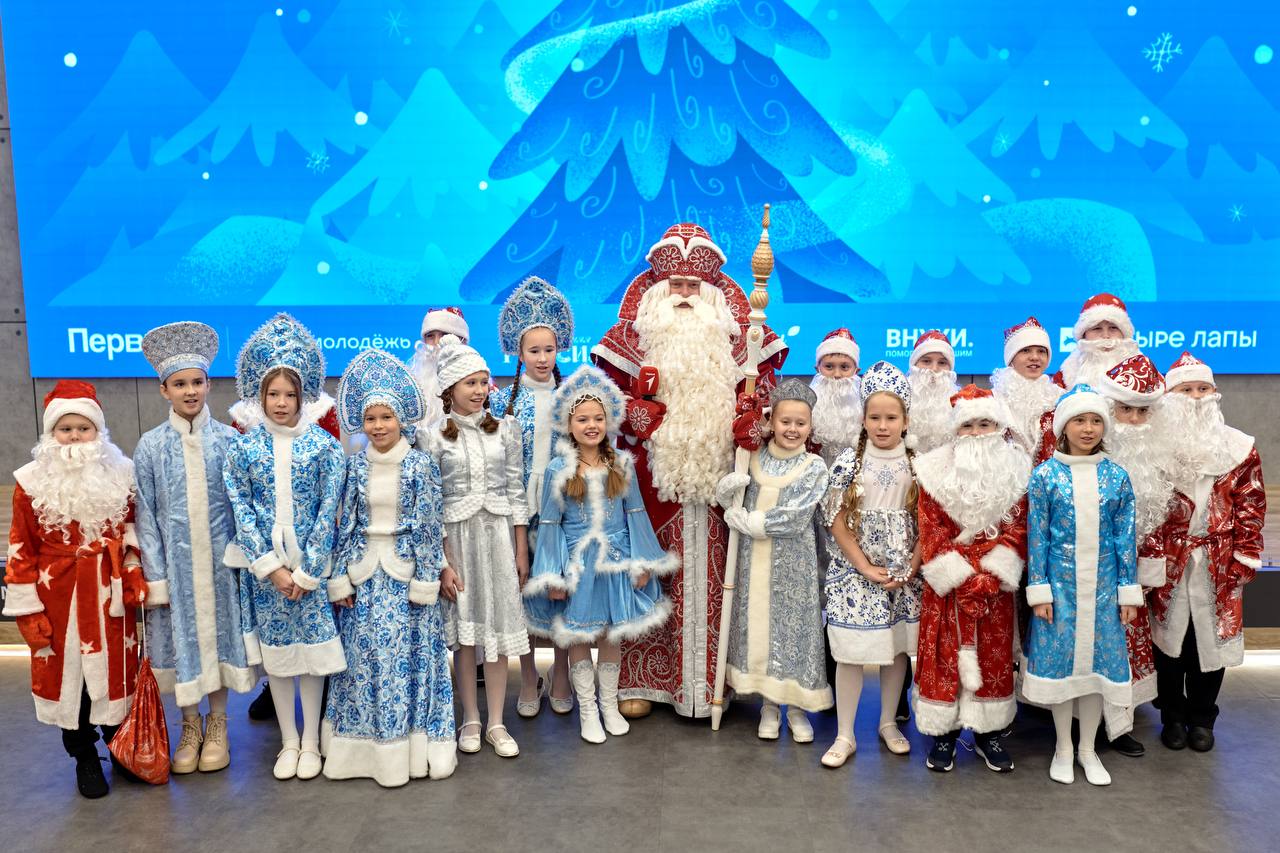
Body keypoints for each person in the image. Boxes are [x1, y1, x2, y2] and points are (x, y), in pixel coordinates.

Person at [591, 222, 787, 719]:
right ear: (657, 289)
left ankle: (721, 683)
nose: (682, 295)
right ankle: (645, 680)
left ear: (712, 293)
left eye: (692, 286)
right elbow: (599, 411)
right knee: (651, 577)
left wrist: (755, 422)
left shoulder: (745, 343)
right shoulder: (627, 342)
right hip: (650, 491)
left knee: (726, 580)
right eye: (674, 284)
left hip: (723, 487)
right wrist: (632, 417)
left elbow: (767, 402)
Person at [321, 348, 458, 786]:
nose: (378, 426)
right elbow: (345, 524)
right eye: (370, 419)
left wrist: (427, 579)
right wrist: (339, 578)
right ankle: (361, 754)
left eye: (386, 417)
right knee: (363, 664)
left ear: (401, 420)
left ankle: (411, 752)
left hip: (407, 577)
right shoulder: (354, 466)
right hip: (364, 577)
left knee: (409, 662)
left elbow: (429, 525)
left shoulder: (420, 465)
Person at [3, 381, 146, 798]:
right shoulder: (31, 482)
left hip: (107, 596)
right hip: (58, 598)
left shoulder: (121, 473)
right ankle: (84, 755)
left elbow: (133, 529)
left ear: (98, 432)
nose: (75, 438)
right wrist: (28, 612)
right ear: (51, 434)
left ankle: (120, 746)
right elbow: (20, 547)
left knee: (116, 674)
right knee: (72, 683)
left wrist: (133, 571)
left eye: (83, 428)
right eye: (65, 429)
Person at [523, 365, 677, 743]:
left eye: (597, 418)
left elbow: (636, 513)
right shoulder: (559, 468)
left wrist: (643, 561)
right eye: (582, 419)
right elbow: (551, 523)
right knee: (579, 633)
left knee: (610, 634)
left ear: (608, 421)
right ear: (569, 424)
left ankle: (609, 704)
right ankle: (588, 710)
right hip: (578, 565)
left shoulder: (621, 463)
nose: (591, 425)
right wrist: (553, 574)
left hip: (618, 561)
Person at [224, 314, 347, 781]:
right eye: (272, 394)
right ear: (259, 396)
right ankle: (289, 741)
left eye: (289, 395)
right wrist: (271, 567)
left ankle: (311, 740)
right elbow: (242, 509)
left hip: (309, 572)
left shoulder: (324, 447)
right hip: (268, 573)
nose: (280, 403)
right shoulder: (244, 449)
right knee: (278, 658)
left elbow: (329, 510)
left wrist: (308, 571)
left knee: (313, 657)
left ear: (303, 396)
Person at [134, 322, 257, 776]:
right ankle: (189, 724)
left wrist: (243, 560)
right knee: (184, 641)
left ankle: (219, 723)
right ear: (164, 389)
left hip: (222, 566)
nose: (190, 391)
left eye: (198, 382)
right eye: (180, 384)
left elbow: (245, 508)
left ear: (208, 385)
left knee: (220, 640)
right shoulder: (150, 446)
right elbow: (146, 516)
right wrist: (157, 577)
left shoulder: (230, 441)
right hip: (176, 569)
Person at [1022, 384, 1141, 786]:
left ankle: (1087, 749)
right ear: (1063, 427)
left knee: (1095, 672)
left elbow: (1125, 538)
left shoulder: (1117, 477)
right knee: (1062, 672)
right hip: (1060, 592)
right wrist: (1040, 590)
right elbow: (1037, 536)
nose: (1088, 429)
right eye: (1079, 420)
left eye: (1095, 421)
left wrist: (1127, 591)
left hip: (1104, 591)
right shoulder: (1045, 476)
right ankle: (1062, 747)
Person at [1149, 352, 1266, 753]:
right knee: (1169, 643)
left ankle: (1202, 718)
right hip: (1169, 561)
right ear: (1170, 396)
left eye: (1203, 388)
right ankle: (1172, 716)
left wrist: (1245, 553)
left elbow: (1251, 504)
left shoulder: (1238, 447)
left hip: (1219, 561)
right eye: (1187, 389)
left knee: (1208, 644)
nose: (1197, 397)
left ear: (1215, 393)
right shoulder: (1153, 449)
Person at [420, 336, 530, 758]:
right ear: (450, 389)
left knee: (498, 633)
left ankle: (497, 722)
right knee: (466, 638)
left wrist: (520, 549)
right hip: (458, 543)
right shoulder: (433, 437)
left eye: (484, 382)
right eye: (470, 383)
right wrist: (442, 563)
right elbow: (431, 505)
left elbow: (516, 492)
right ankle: (470, 717)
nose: (480, 390)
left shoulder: (505, 430)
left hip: (497, 538)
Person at [913, 385, 1029, 773]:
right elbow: (930, 529)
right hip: (948, 588)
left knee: (994, 657)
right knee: (943, 658)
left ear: (998, 427)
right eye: (968, 425)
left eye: (985, 424)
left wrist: (993, 574)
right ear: (955, 430)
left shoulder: (1018, 471)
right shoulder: (932, 471)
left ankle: (988, 732)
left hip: (995, 587)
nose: (977, 433)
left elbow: (1021, 528)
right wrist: (960, 577)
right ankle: (943, 733)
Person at [718, 378, 832, 742]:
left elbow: (796, 517)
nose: (792, 429)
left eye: (800, 423)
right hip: (754, 563)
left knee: (792, 632)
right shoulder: (751, 457)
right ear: (772, 422)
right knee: (760, 631)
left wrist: (750, 522)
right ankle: (768, 706)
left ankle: (796, 708)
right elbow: (737, 500)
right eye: (785, 422)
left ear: (810, 427)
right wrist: (727, 493)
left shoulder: (814, 467)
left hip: (794, 565)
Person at [820, 361, 921, 768]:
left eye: (891, 418)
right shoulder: (848, 462)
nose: (882, 425)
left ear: (905, 421)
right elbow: (834, 518)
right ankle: (845, 733)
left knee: (896, 650)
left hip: (902, 574)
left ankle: (887, 722)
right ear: (863, 419)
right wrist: (862, 566)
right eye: (874, 417)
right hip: (855, 573)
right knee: (851, 652)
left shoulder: (918, 464)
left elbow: (929, 523)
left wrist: (912, 567)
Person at [490, 276, 576, 718]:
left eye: (549, 350)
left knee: (559, 592)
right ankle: (528, 676)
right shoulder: (502, 405)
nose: (543, 358)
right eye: (534, 351)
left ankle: (561, 672)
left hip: (562, 515)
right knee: (520, 593)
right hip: (518, 515)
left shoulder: (572, 399)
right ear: (518, 353)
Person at [1096, 354, 1181, 757]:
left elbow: (1162, 522)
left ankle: (1119, 725)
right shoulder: (1089, 454)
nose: (1133, 420)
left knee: (1128, 646)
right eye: (1124, 409)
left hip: (1135, 576)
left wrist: (1146, 574)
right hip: (1088, 569)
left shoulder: (1160, 461)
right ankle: (1083, 726)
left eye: (1142, 411)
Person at [991, 316, 1061, 462]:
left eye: (1041, 351)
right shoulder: (993, 399)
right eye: (1026, 350)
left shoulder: (1059, 397)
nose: (1034, 357)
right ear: (1011, 358)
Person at [1055, 293, 1141, 389]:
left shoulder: (1142, 369)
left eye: (1113, 328)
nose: (1106, 336)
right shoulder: (1065, 375)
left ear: (1124, 334)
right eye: (1097, 328)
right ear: (1084, 335)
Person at [408, 305, 471, 430]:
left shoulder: (482, 384)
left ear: (462, 341)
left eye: (444, 335)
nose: (437, 342)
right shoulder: (410, 386)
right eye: (430, 336)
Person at [810, 328, 863, 467]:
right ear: (817, 369)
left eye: (844, 367)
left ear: (856, 371)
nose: (837, 375)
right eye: (829, 367)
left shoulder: (867, 406)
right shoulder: (806, 405)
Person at [905, 330, 959, 455]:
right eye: (926, 361)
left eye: (942, 363)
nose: (934, 369)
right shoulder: (897, 400)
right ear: (914, 365)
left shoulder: (960, 404)